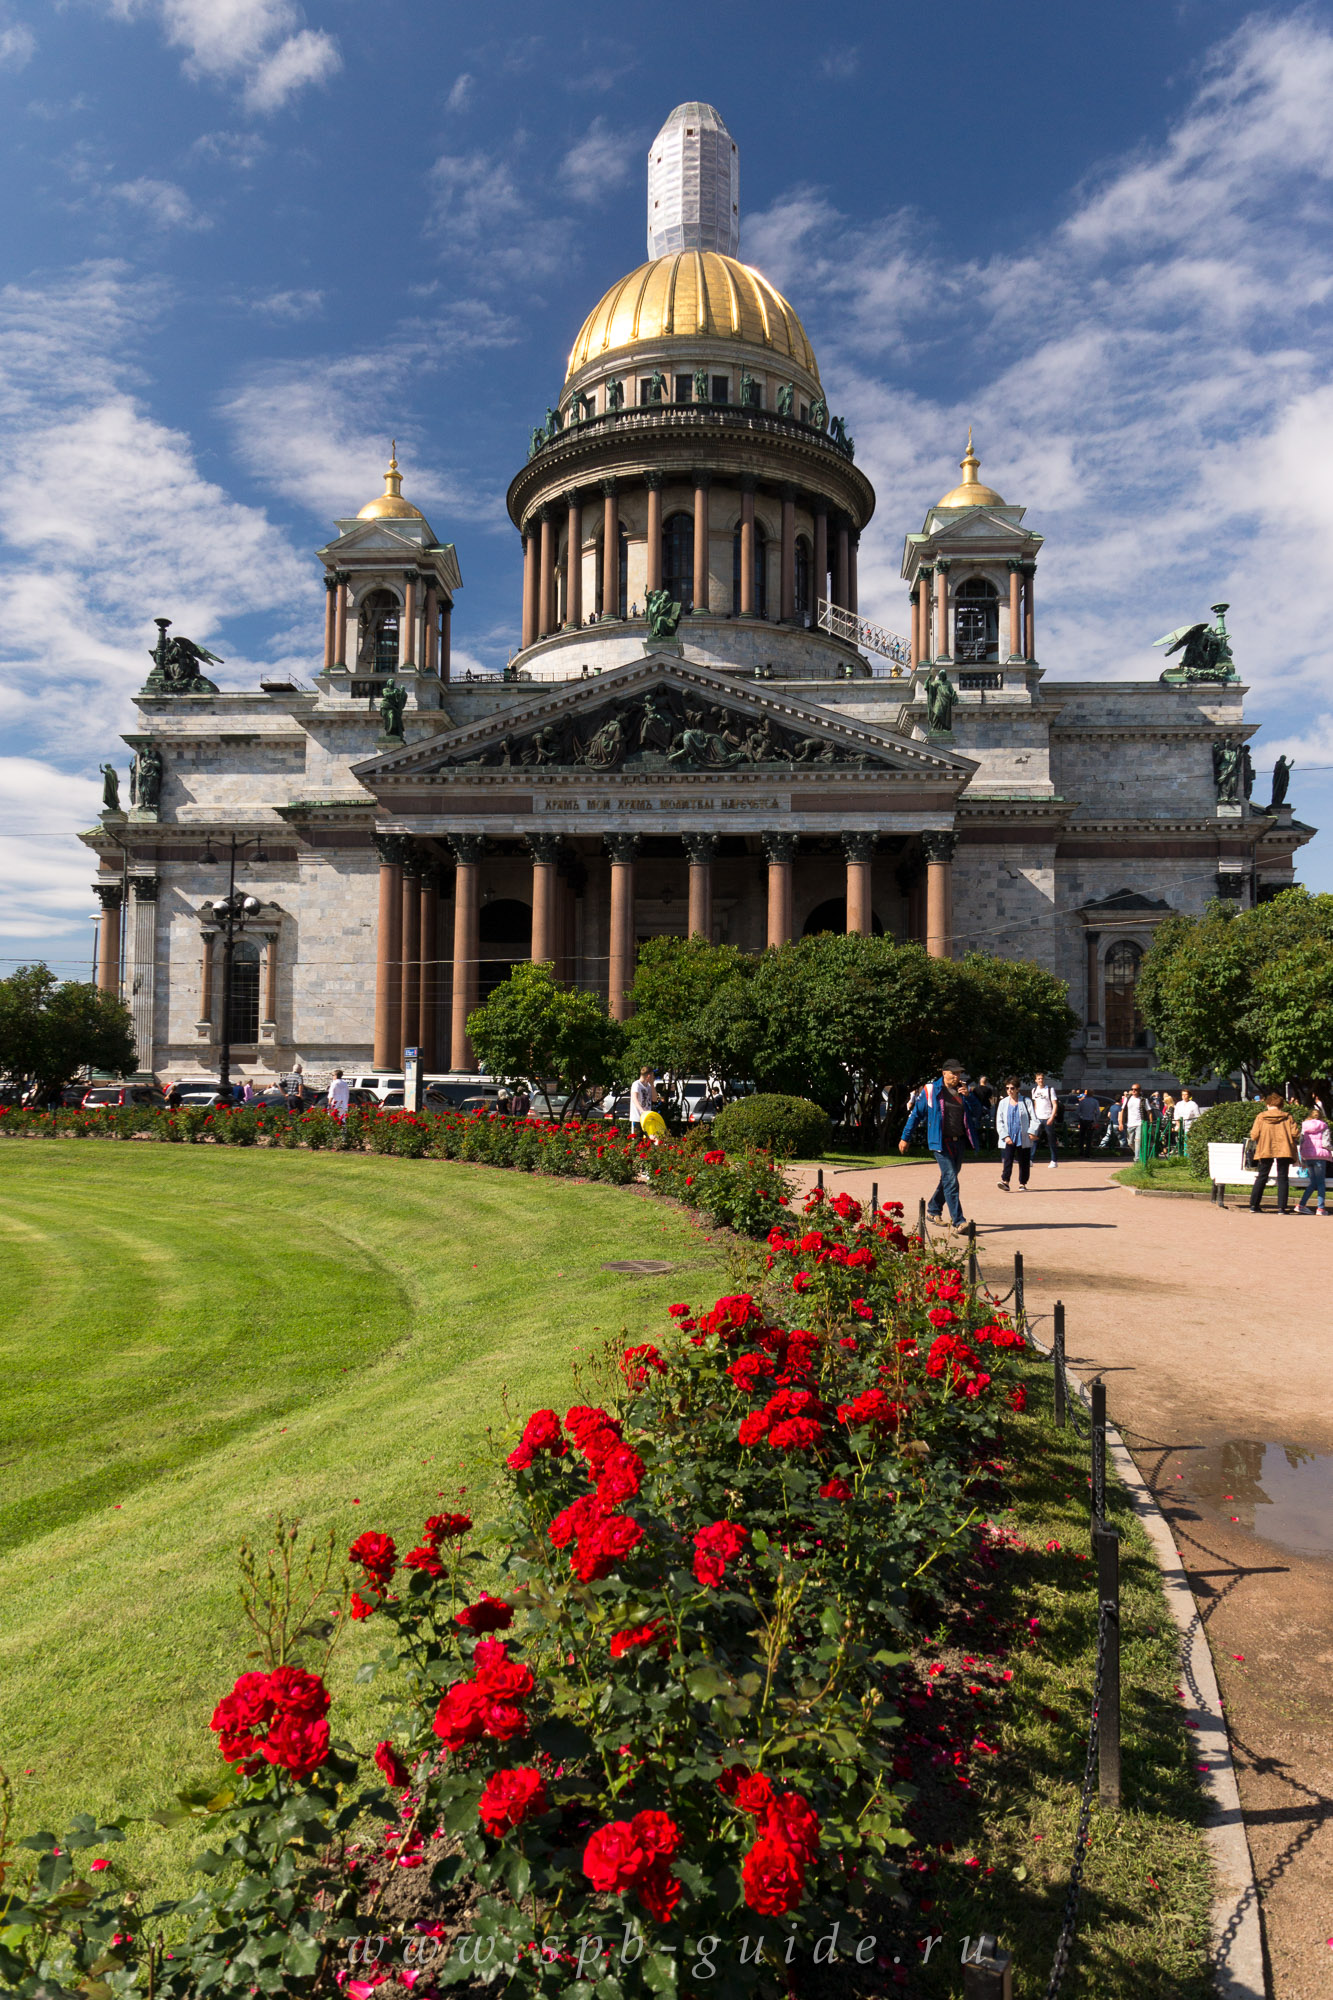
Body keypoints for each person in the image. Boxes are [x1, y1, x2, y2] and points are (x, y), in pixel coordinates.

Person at [899, 1056, 978, 1228]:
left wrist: (970, 1097)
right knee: (951, 1179)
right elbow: (916, 1115)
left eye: (959, 1073)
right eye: (954, 1073)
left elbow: (979, 1112)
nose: (957, 1077)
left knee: (949, 1178)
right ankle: (959, 1221)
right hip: (940, 1142)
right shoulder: (931, 1090)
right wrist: (905, 1137)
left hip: (959, 1142)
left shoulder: (964, 1091)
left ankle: (933, 1209)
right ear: (944, 1073)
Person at [1247, 1091, 1301, 1213]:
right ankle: (1281, 1208)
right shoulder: (1287, 1117)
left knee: (1262, 1176)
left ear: (1267, 1104)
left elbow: (1254, 1135)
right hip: (1284, 1149)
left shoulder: (1261, 1117)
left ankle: (1253, 1205)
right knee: (1283, 1177)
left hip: (1265, 1148)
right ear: (1281, 1105)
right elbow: (1295, 1134)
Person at [996, 1078, 1036, 1191]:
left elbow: (1034, 1118)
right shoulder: (1003, 1103)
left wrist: (1031, 1131)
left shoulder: (1026, 1101)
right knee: (1007, 1160)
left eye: (1012, 1088)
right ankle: (1005, 1181)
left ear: (1017, 1089)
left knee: (1024, 1161)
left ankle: (1022, 1183)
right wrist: (1005, 1136)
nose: (1009, 1090)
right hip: (1009, 1136)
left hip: (1023, 1136)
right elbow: (999, 1121)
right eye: (1007, 1088)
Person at [1296, 1104, 1331, 1214]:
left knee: (1313, 1182)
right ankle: (1320, 1208)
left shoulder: (1304, 1126)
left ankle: (1302, 1204)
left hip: (1308, 1156)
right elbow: (1326, 1143)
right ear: (1320, 1117)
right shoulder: (1324, 1126)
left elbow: (1301, 1142)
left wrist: (1302, 1157)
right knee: (1320, 1183)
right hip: (1320, 1156)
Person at [1031, 1071, 1059, 1167]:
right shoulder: (1034, 1090)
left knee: (1051, 1139)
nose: (1040, 1080)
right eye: (1038, 1079)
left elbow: (1055, 1104)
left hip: (1047, 1117)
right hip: (1038, 1118)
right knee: (1034, 1138)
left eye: (1042, 1078)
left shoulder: (1050, 1090)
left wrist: (1052, 1117)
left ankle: (1054, 1160)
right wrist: (1034, 1117)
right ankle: (1030, 1159)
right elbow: (1035, 1104)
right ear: (1036, 1080)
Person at [629, 1068, 657, 1134]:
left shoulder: (649, 1086)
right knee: (637, 1139)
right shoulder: (636, 1084)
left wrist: (652, 1084)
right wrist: (642, 1111)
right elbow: (634, 1099)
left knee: (649, 1140)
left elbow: (654, 1099)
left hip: (647, 1118)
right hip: (637, 1118)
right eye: (652, 1076)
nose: (653, 1078)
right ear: (649, 1076)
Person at [1075, 1087, 1101, 1156]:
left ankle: (1081, 1151)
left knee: (1082, 1137)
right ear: (1092, 1094)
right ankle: (1087, 1152)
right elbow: (1098, 1112)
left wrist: (1079, 1119)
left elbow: (1077, 1112)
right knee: (1089, 1138)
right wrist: (1096, 1121)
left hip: (1083, 1120)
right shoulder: (1095, 1101)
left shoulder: (1082, 1101)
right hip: (1090, 1121)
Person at [1122, 1084, 1145, 1156]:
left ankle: (1137, 1159)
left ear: (1140, 1090)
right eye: (1132, 1089)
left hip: (1139, 1123)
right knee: (1130, 1143)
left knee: (1138, 1141)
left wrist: (1149, 1124)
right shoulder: (1127, 1099)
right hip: (1130, 1123)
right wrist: (1121, 1122)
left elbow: (1149, 1112)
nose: (1133, 1091)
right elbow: (1122, 1110)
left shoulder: (1143, 1100)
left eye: (1136, 1089)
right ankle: (1139, 1153)